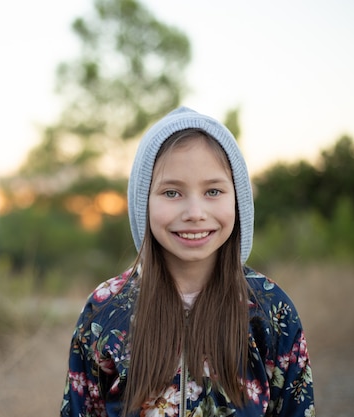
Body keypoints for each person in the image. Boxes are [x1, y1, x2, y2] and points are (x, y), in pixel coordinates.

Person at [60, 107, 315, 417]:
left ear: (237, 199)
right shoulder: (104, 312)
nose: (195, 212)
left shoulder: (271, 312)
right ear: (144, 203)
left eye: (213, 191)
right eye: (171, 192)